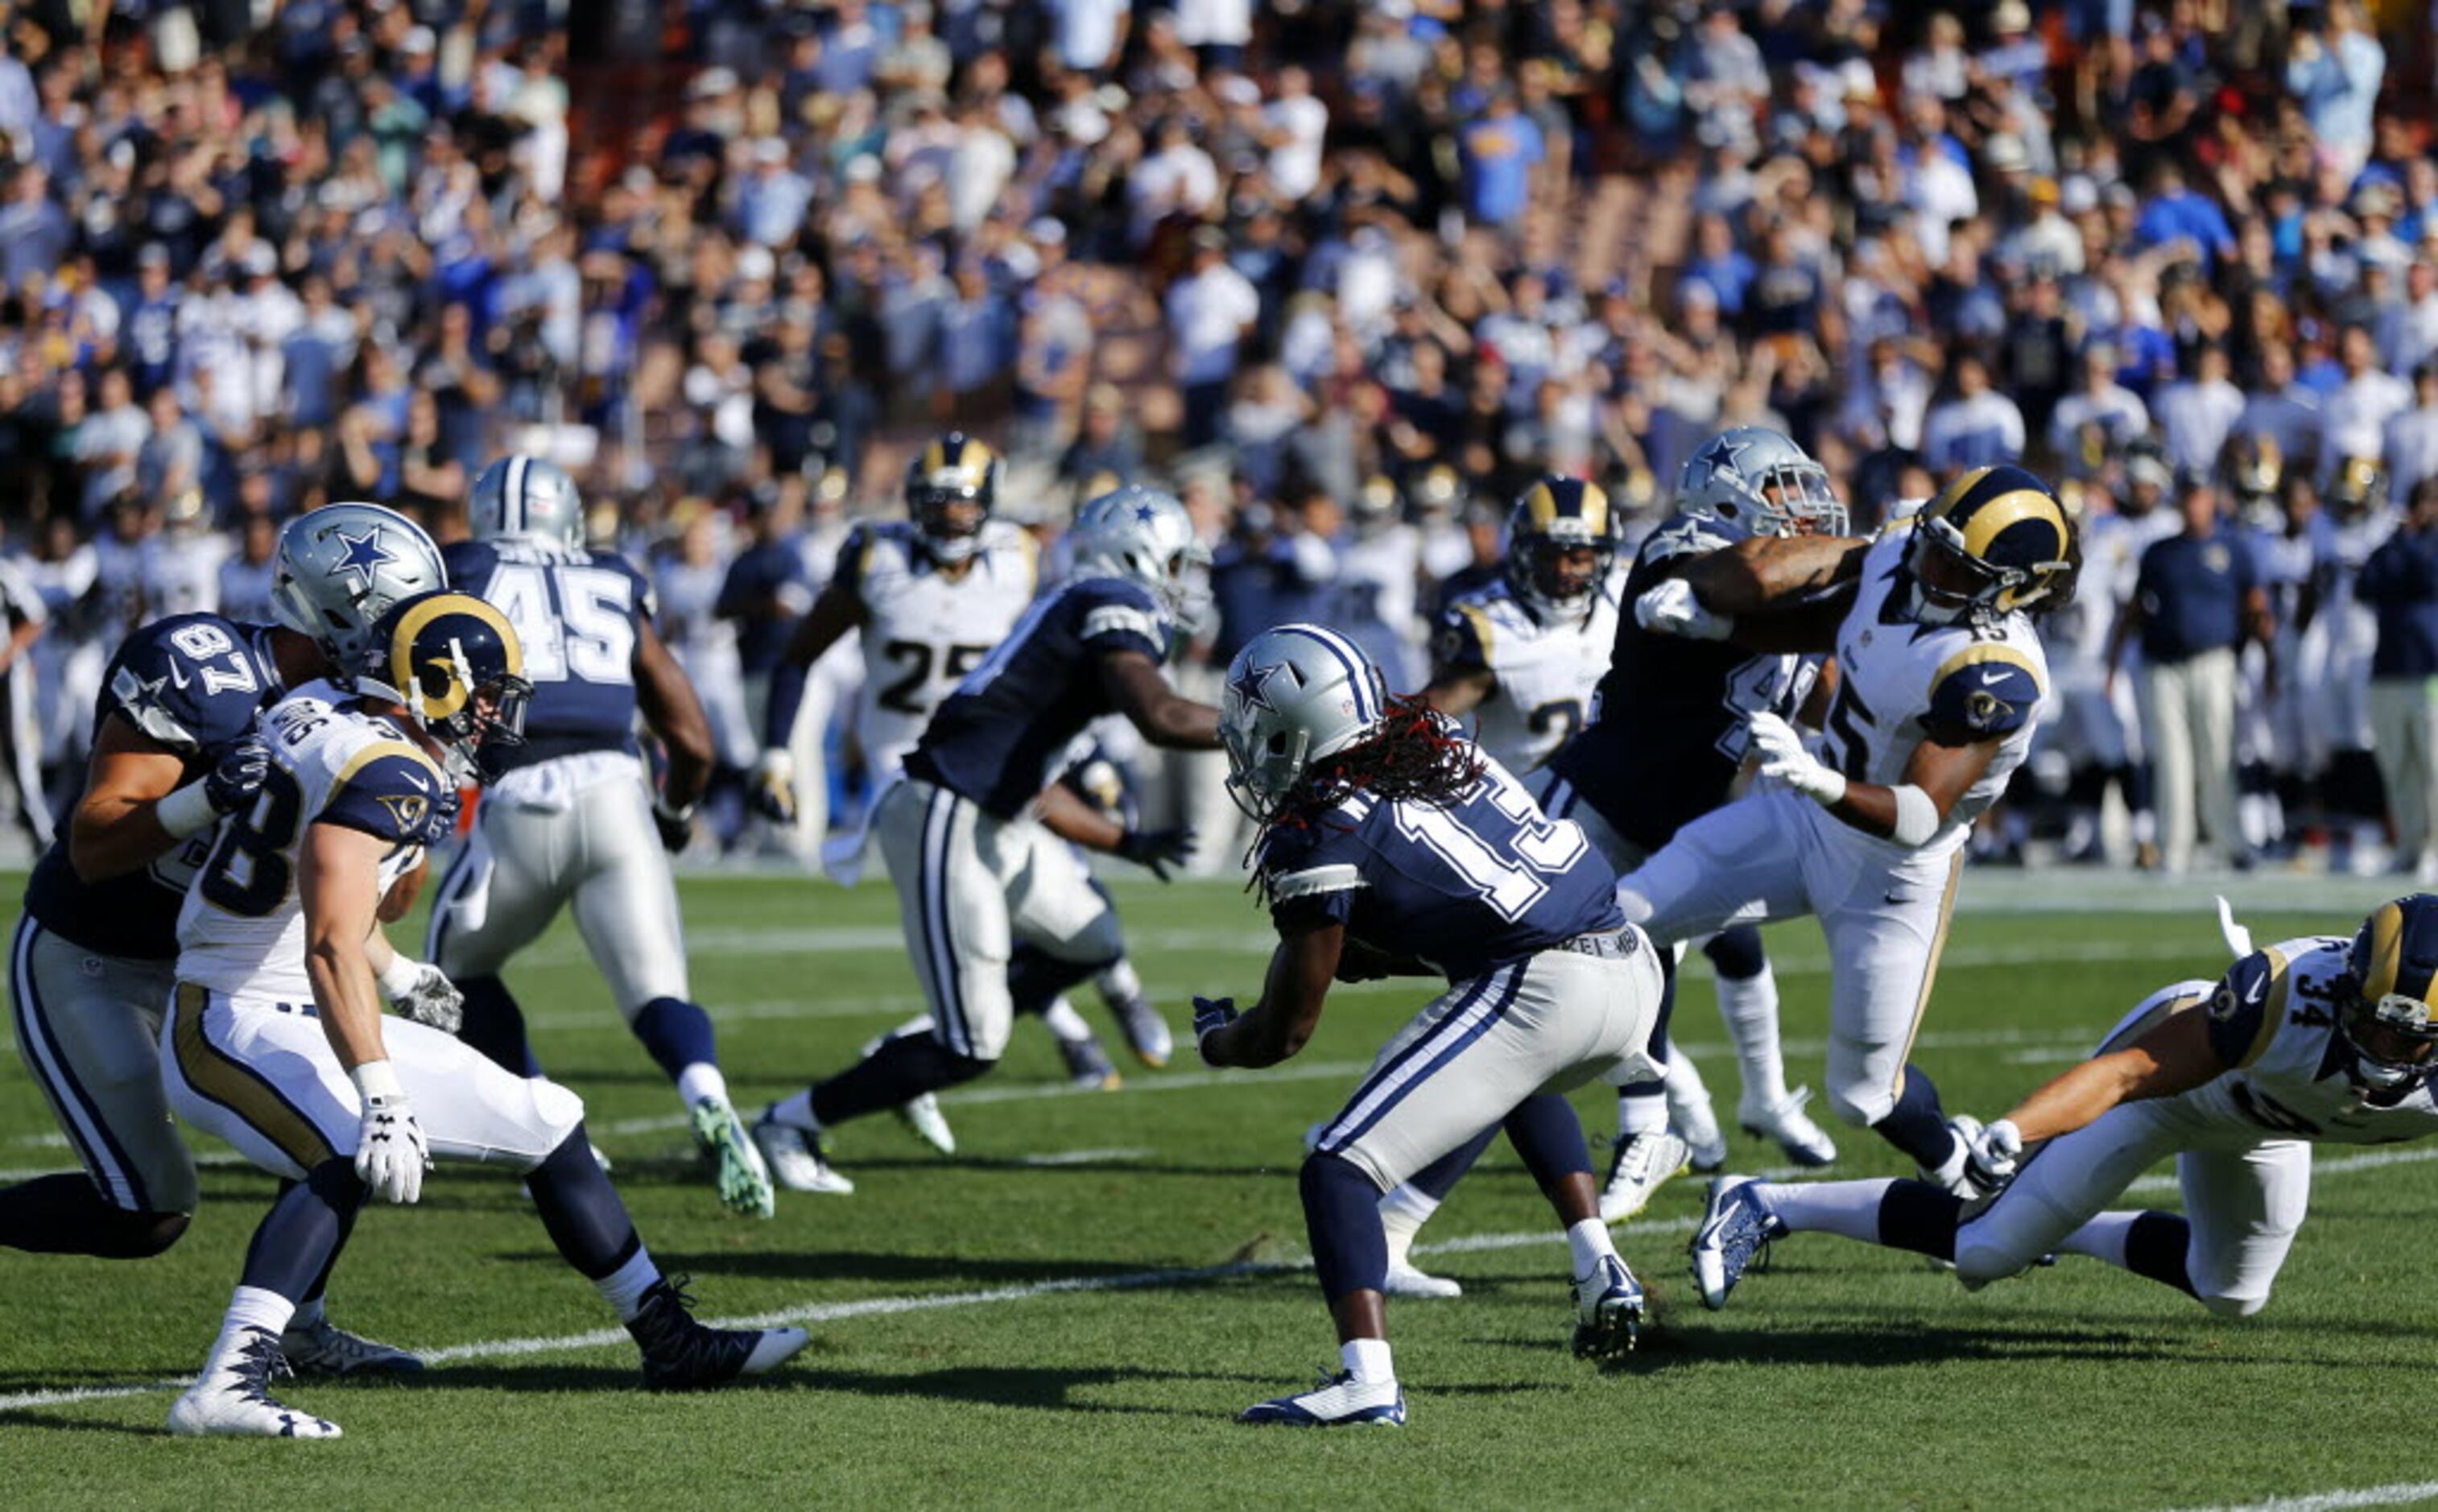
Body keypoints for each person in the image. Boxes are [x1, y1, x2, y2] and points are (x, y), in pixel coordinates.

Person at [161, 589, 805, 1437]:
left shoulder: (323, 709)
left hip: (286, 990)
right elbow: (326, 940)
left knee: (546, 1118)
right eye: (492, 693)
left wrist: (396, 972)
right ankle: (226, 1382)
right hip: (230, 1011)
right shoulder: (395, 770)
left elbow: (326, 903)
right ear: (434, 683)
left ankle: (668, 1339)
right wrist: (384, 1093)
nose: (502, 714)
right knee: (347, 1145)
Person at [2, 504, 440, 1376]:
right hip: (93, 954)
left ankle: (301, 1329)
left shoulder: (373, 710)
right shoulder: (195, 666)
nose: (417, 636)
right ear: (341, 613)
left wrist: (419, 812)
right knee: (148, 1214)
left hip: (222, 964)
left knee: (336, 1119)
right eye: (400, 616)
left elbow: (366, 907)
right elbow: (91, 845)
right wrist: (205, 798)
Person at [1200, 623, 1664, 1427]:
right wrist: (1387, 955)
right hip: (1628, 960)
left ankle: (1365, 1383)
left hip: (1547, 988)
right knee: (1506, 1075)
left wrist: (1219, 1040)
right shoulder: (1433, 738)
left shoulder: (1318, 826)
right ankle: (1598, 1265)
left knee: (1338, 1166)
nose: (1247, 748)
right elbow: (1482, 903)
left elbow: (1284, 1033)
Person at [750, 485, 1217, 1192]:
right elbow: (1160, 716)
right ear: (1134, 552)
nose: (1185, 578)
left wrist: (1124, 843)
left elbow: (1034, 771)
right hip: (946, 812)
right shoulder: (1103, 601)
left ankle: (916, 1047)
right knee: (973, 1046)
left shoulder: (1077, 609)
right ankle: (793, 1121)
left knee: (1092, 941)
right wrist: (1272, 726)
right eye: (1177, 560)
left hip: (992, 813)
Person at [1627, 465, 2075, 1192]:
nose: (1929, 565)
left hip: (1894, 875)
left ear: (2008, 588)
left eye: (1956, 566)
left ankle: (1965, 1172)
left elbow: (1919, 813)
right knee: (1630, 915)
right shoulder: (1908, 551)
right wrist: (1728, 626)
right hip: (1809, 820)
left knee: (1864, 1096)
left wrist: (1818, 780)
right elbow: (1849, 620)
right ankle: (1646, 1120)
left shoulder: (1993, 671)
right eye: (1933, 543)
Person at [1692, 896, 2438, 1320]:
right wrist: (2013, 1132)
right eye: (2372, 1019)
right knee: (1985, 1251)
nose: (2383, 1046)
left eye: (2408, 1037)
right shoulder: (2274, 1001)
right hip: (2177, 1095)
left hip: (2269, 1127)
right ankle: (1766, 1200)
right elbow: (2125, 1076)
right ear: (2347, 984)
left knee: (2232, 1293)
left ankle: (2063, 1220)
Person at [424, 456, 771, 1218]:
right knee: (656, 990)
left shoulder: (461, 567)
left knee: (448, 979)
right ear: (567, 517)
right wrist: (676, 816)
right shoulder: (613, 576)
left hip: (520, 795)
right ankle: (706, 1093)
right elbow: (693, 737)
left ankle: (546, 1118)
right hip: (619, 791)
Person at [2106, 479, 2275, 873]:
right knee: (2171, 757)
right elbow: (2134, 611)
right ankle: (2174, 848)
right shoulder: (2161, 553)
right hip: (2164, 665)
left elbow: (2256, 608)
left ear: (2212, 498)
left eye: (2199, 495)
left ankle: (2230, 841)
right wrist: (2112, 663)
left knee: (2217, 752)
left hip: (2215, 661)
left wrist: (2270, 662)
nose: (2193, 504)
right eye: (2187, 496)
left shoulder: (2234, 549)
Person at [2358, 478, 2438, 884]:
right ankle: (2409, 844)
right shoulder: (2394, 546)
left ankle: (2435, 848)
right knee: (2399, 766)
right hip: (2389, 667)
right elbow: (2366, 584)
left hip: (2431, 672)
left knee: (2434, 766)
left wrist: (2409, 544)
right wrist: (2401, 541)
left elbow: (2428, 577)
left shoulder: (2425, 548)